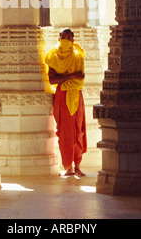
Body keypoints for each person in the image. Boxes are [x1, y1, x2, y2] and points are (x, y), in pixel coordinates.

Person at [45, 28, 87, 177]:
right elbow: (52, 80)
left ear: (73, 41)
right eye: (63, 38)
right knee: (63, 132)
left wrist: (63, 77)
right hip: (61, 96)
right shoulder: (53, 56)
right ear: (58, 39)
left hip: (75, 95)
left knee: (78, 131)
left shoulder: (78, 56)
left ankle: (77, 166)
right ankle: (68, 167)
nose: (65, 41)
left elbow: (80, 79)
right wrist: (71, 76)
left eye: (68, 38)